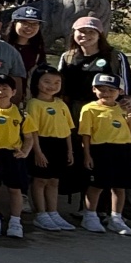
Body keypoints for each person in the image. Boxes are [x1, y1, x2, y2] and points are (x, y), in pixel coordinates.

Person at [77, 71, 131, 233]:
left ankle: (116, 218)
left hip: (123, 149)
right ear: (94, 90)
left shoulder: (124, 108)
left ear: (120, 91)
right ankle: (90, 216)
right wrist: (87, 155)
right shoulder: (89, 109)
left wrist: (130, 115)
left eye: (111, 90)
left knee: (120, 186)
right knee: (97, 185)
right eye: (102, 89)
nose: (106, 93)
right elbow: (85, 134)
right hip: (100, 150)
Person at [23, 68, 76, 231]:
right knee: (40, 180)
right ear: (37, 83)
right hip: (42, 144)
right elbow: (33, 131)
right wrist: (38, 152)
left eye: (56, 82)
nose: (52, 86)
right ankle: (41, 214)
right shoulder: (33, 104)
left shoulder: (61, 103)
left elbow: (68, 129)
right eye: (47, 82)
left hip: (60, 145)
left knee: (54, 181)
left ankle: (53, 212)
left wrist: (70, 150)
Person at [56, 16, 131, 116]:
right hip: (74, 109)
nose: (85, 35)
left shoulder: (115, 56)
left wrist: (125, 104)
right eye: (81, 31)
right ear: (74, 33)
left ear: (99, 35)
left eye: (91, 31)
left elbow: (127, 84)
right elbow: (60, 83)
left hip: (106, 110)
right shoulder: (67, 57)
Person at [0, 73, 30, 237]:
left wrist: (25, 152)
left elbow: (29, 137)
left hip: (13, 156)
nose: (0, 92)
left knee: (15, 190)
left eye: (5, 88)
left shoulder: (21, 113)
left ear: (13, 92)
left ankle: (16, 222)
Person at [5, 6, 46, 76]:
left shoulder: (38, 49)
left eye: (35, 24)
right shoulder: (2, 45)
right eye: (25, 23)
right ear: (14, 23)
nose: (29, 28)